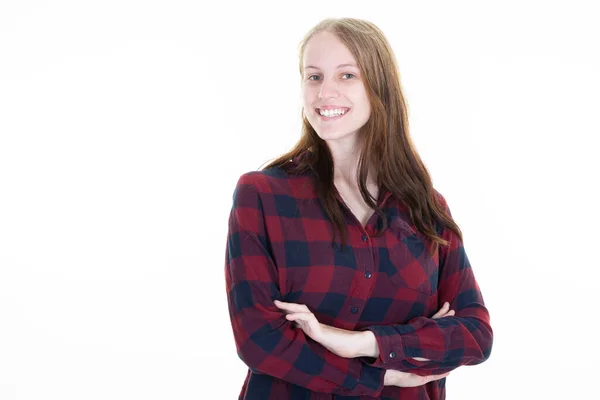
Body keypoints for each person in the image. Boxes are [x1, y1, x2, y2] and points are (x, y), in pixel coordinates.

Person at [224, 17, 493, 400]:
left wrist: (363, 343)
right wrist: (385, 376)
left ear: (378, 86)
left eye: (346, 76)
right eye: (313, 77)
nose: (324, 92)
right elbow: (258, 339)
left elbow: (475, 335)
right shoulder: (263, 195)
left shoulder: (427, 209)